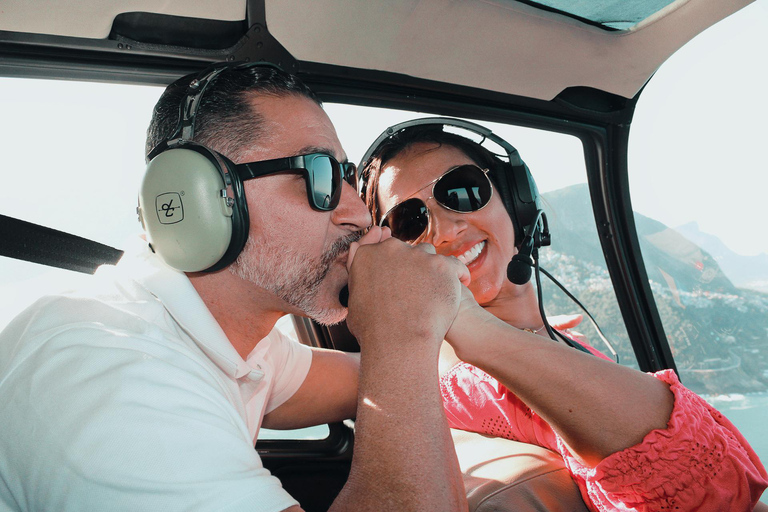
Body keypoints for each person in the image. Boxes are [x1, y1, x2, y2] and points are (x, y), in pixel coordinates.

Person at [0, 64, 471, 511]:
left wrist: (447, 338)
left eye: (347, 178)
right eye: (321, 174)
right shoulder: (109, 375)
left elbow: (367, 379)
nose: (358, 213)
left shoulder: (240, 344)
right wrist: (403, 333)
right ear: (195, 196)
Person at [359, 118, 768, 511]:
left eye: (461, 191)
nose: (445, 231)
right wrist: (464, 321)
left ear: (516, 200)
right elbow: (723, 486)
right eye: (408, 221)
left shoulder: (536, 341)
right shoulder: (468, 375)